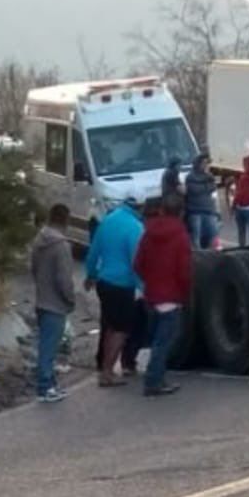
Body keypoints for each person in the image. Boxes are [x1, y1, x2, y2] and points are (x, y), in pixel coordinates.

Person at [133, 194, 192, 397]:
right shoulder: (181, 236)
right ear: (181, 212)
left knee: (156, 339)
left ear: (162, 210)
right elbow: (184, 271)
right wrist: (184, 292)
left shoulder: (148, 233)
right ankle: (154, 381)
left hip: (152, 294)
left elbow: (138, 263)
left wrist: (150, 280)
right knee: (163, 342)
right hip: (171, 296)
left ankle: (157, 377)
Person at [84, 195, 144, 387]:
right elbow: (136, 262)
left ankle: (105, 369)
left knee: (111, 326)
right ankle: (107, 373)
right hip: (122, 285)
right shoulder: (135, 227)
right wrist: (143, 287)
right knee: (121, 330)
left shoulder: (107, 220)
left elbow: (93, 252)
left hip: (104, 282)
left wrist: (91, 274)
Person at [30, 203, 78, 402]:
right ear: (66, 220)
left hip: (42, 299)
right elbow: (64, 278)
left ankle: (50, 383)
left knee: (45, 344)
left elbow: (34, 269)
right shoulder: (61, 246)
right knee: (49, 348)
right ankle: (45, 387)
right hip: (56, 304)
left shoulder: (39, 240)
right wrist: (70, 298)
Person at [183, 153, 220, 250]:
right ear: (198, 163)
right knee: (197, 237)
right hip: (195, 211)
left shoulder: (209, 176)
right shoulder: (190, 176)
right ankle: (198, 255)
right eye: (204, 163)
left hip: (209, 210)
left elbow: (213, 187)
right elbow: (194, 190)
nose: (206, 165)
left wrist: (204, 187)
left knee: (214, 235)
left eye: (207, 163)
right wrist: (206, 187)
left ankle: (215, 253)